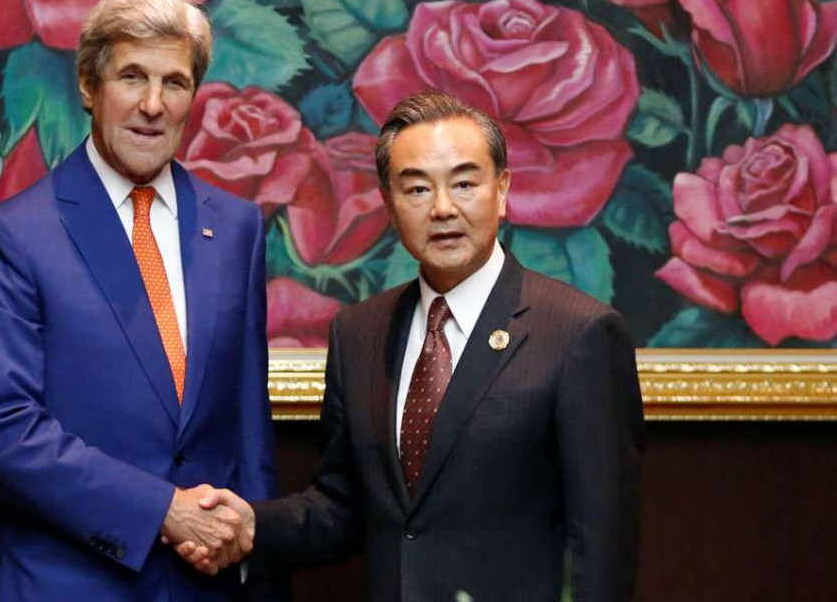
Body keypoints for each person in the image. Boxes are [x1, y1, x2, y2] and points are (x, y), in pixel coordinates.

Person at [187, 90, 644, 600]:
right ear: (389, 202)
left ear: (502, 190)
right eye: (418, 189)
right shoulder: (359, 332)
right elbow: (346, 507)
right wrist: (250, 525)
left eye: (465, 183)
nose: (443, 208)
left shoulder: (579, 333)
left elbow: (601, 546)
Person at [0, 0, 276, 600]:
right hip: (67, 582)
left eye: (175, 82)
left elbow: (249, 430)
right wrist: (162, 510)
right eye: (132, 77)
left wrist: (258, 575)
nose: (153, 105)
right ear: (88, 85)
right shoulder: (15, 235)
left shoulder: (237, 228)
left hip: (207, 587)